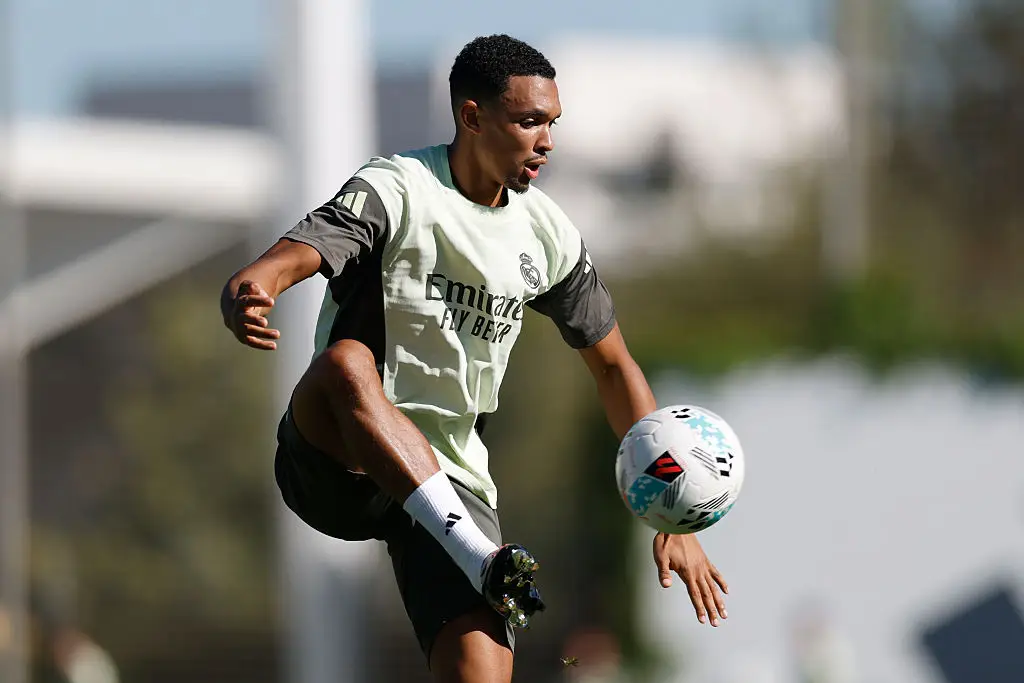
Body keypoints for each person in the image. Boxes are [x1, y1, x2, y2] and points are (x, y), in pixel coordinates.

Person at [221, 34, 728, 683]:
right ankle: (477, 554)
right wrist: (253, 289)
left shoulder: (547, 234)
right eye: (528, 120)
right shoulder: (398, 188)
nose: (546, 139)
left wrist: (668, 505)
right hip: (338, 460)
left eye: (552, 122)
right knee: (346, 361)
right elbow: (284, 260)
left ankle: (470, 550)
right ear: (471, 116)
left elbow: (613, 365)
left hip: (453, 477)